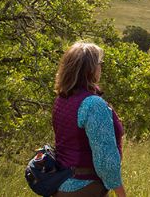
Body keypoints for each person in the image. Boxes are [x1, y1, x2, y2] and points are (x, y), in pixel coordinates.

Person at [52, 42, 126, 197]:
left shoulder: (62, 98)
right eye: (100, 63)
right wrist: (121, 193)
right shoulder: (93, 104)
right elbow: (105, 160)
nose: (101, 68)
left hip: (61, 185)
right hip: (85, 187)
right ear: (90, 69)